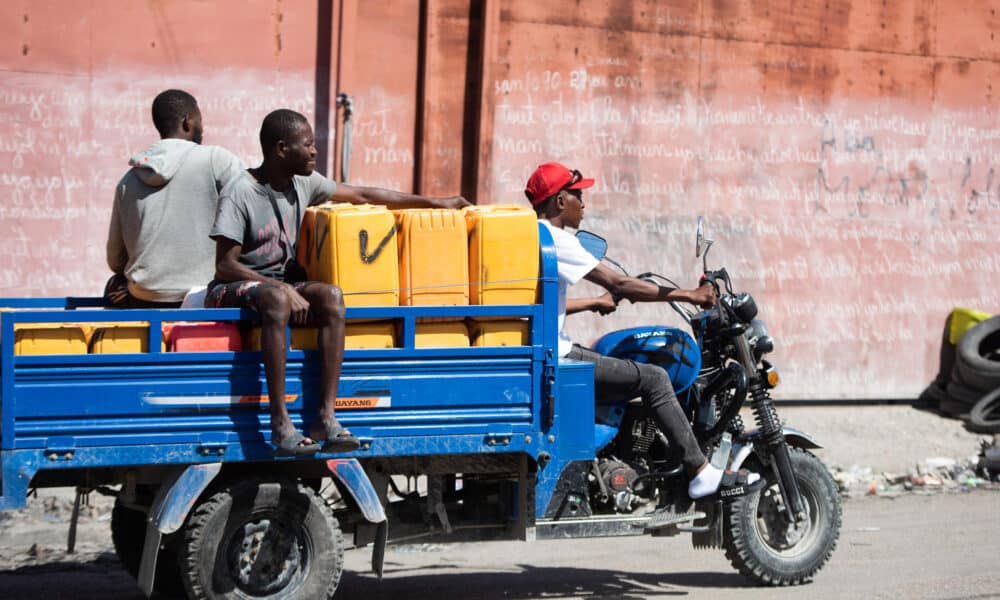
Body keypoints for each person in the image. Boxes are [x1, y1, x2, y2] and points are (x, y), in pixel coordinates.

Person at [208, 108, 469, 456]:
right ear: (281, 149)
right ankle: (280, 422)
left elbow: (363, 195)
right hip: (233, 287)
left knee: (331, 295)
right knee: (276, 298)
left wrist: (437, 202)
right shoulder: (241, 191)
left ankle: (325, 417)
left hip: (278, 288)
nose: (315, 151)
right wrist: (281, 288)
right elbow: (225, 265)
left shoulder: (304, 183)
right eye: (308, 144)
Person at [524, 161, 760, 500]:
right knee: (654, 379)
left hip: (550, 350)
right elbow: (619, 281)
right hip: (556, 358)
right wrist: (688, 294)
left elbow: (545, 306)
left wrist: (593, 303)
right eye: (578, 195)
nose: (584, 203)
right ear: (560, 201)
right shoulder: (557, 240)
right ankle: (699, 471)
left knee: (609, 360)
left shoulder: (533, 237)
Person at [105, 89, 245, 308]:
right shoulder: (217, 161)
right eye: (200, 120)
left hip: (143, 299)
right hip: (205, 298)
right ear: (187, 122)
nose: (203, 128)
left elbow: (115, 260)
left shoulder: (127, 181)